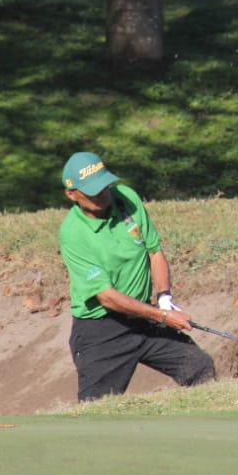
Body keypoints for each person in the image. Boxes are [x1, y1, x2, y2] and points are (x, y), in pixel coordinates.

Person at [58, 151, 215, 401]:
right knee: (96, 412)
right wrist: (162, 316)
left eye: (104, 187)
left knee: (199, 367)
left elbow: (154, 251)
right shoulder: (73, 233)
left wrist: (164, 297)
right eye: (92, 192)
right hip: (102, 331)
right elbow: (106, 297)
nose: (102, 195)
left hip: (143, 319)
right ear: (72, 194)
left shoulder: (127, 198)